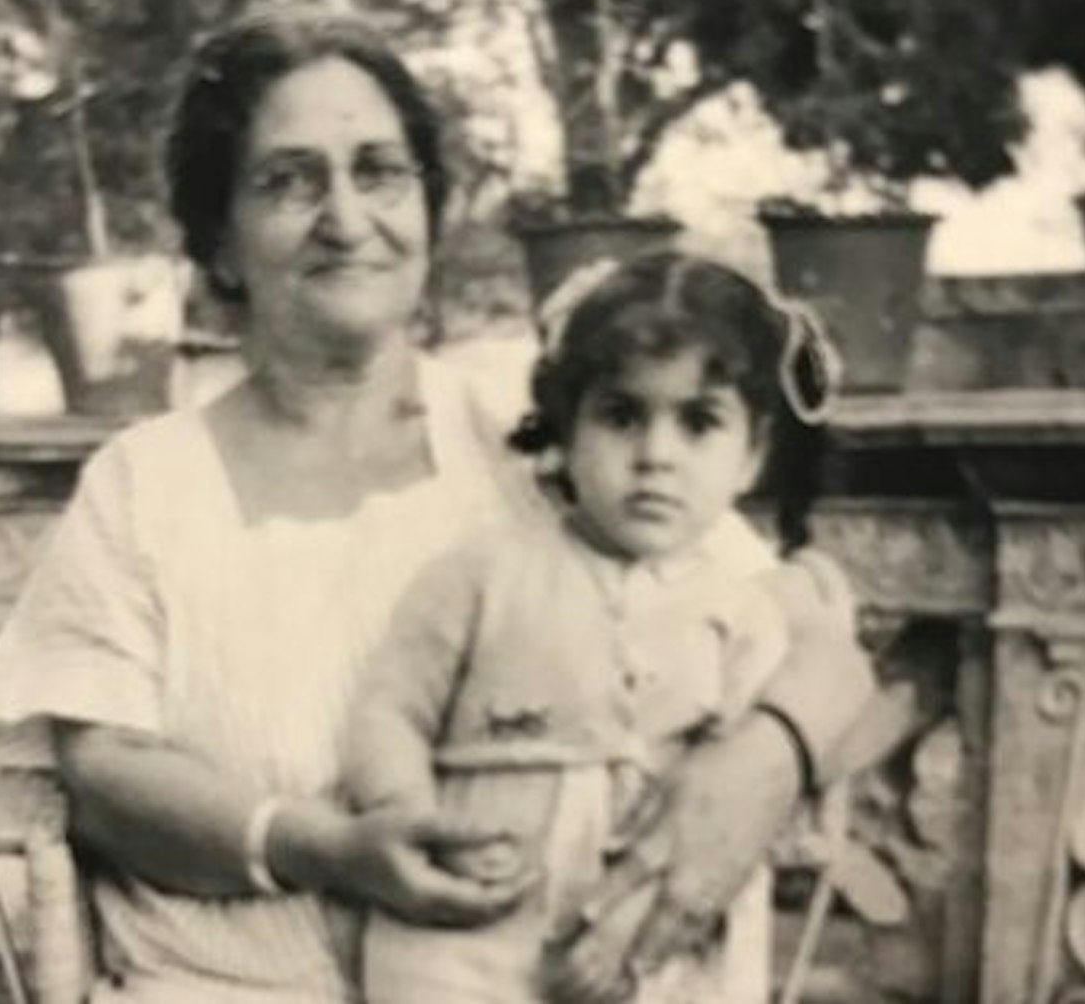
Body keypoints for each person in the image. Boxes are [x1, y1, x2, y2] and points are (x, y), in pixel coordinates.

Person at [0, 6, 875, 1003]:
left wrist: (764, 755)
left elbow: (813, 635)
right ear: (218, 240)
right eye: (287, 179)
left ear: (431, 213)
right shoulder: (146, 482)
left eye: (379, 171)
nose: (346, 218)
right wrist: (331, 846)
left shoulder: (543, 435)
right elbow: (102, 778)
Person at [346, 252, 833, 1004]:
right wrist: (409, 816)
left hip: (652, 944)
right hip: (472, 934)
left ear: (751, 456)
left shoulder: (746, 614)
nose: (655, 457)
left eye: (698, 423)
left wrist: (639, 924)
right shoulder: (482, 572)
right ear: (566, 427)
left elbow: (747, 806)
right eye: (620, 416)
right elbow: (390, 709)